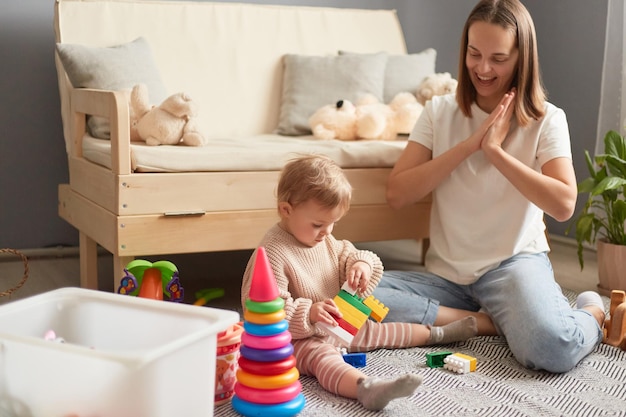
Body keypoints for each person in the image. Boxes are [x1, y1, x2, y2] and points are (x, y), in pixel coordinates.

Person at [374, 0, 605, 373]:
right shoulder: (438, 111)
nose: (482, 68)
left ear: (521, 58)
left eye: (498, 58)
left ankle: (591, 311)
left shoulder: (548, 119)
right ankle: (485, 321)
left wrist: (495, 152)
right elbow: (398, 194)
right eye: (474, 53)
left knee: (552, 347)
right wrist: (469, 146)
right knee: (352, 297)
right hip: (446, 279)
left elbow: (563, 204)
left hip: (512, 267)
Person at [241, 154, 482, 411]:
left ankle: (438, 334)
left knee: (381, 330)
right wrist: (309, 313)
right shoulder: (272, 253)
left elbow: (353, 254)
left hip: (338, 325)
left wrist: (361, 265)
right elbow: (264, 312)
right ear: (286, 210)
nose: (327, 232)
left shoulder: (324, 240)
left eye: (333, 223)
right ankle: (365, 388)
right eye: (318, 224)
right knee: (324, 359)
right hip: (297, 340)